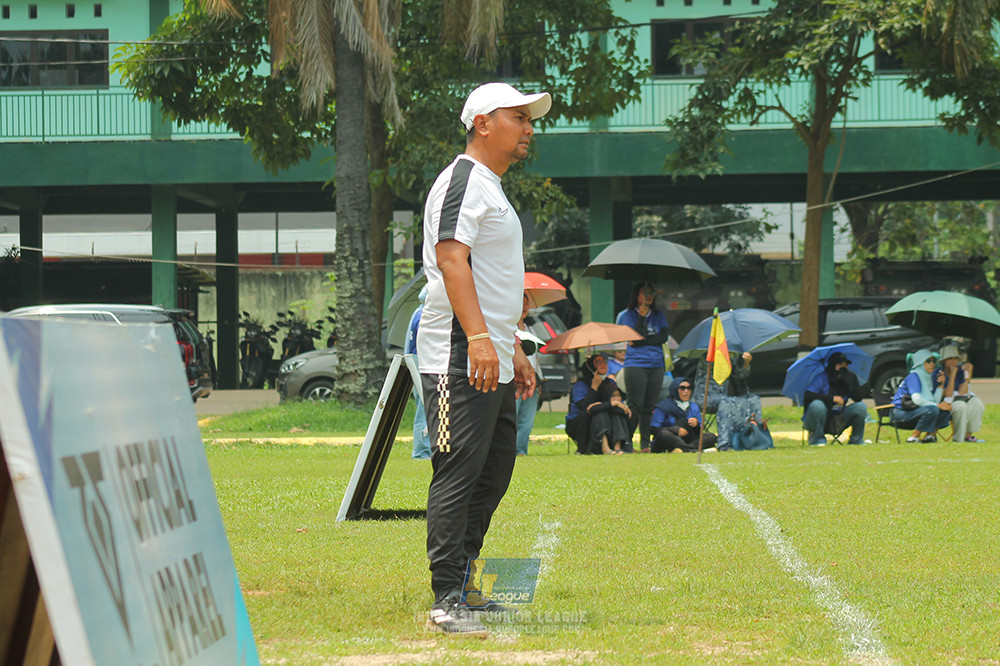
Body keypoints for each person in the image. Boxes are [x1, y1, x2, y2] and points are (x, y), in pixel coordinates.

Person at [416, 82, 550, 635]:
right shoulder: (463, 181)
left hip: (490, 352)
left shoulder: (492, 188)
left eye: (530, 119)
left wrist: (511, 345)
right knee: (458, 473)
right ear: (482, 123)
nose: (529, 128)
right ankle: (446, 598)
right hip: (455, 354)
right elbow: (452, 261)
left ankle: (466, 585)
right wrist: (476, 338)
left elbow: (494, 280)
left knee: (492, 473)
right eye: (518, 117)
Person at [615, 282, 670, 452]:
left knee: (649, 406)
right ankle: (627, 442)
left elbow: (663, 337)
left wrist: (642, 341)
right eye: (645, 292)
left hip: (656, 365)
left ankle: (645, 444)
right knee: (635, 405)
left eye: (651, 292)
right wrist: (641, 318)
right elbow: (633, 338)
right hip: (636, 364)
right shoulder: (627, 315)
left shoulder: (658, 315)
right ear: (636, 296)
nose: (649, 296)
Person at [565, 354, 636, 455]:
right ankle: (597, 447)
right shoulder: (581, 385)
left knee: (630, 413)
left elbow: (616, 403)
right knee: (599, 412)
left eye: (604, 362)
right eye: (598, 363)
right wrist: (594, 388)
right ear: (590, 367)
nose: (603, 365)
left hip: (607, 417)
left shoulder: (610, 382)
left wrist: (617, 404)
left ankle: (622, 445)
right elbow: (584, 406)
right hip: (580, 422)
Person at [803, 351, 870, 446]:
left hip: (839, 415)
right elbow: (808, 395)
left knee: (861, 407)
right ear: (832, 365)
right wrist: (832, 398)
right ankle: (817, 439)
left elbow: (858, 398)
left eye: (845, 365)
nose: (843, 368)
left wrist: (851, 383)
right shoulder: (821, 377)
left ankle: (856, 440)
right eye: (840, 365)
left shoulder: (849, 378)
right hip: (822, 415)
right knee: (817, 405)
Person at [892, 348, 951, 443]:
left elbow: (933, 401)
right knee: (933, 409)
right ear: (920, 362)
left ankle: (930, 436)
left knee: (944, 412)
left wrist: (940, 386)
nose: (932, 364)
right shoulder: (914, 376)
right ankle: (913, 438)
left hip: (916, 410)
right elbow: (917, 400)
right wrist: (937, 405)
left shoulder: (927, 377)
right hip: (900, 412)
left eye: (933, 361)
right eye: (928, 361)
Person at [650, 377, 718, 453]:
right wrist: (674, 430)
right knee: (663, 434)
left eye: (689, 388)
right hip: (670, 439)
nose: (686, 391)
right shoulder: (663, 406)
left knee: (711, 436)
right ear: (675, 389)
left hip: (688, 439)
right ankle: (695, 450)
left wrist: (696, 425)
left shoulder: (693, 406)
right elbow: (653, 429)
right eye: (682, 388)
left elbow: (699, 432)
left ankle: (684, 449)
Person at [515, 292, 543, 455]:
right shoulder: (509, 330)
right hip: (515, 379)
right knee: (513, 416)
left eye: (527, 304)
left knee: (527, 420)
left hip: (532, 380)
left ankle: (520, 450)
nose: (524, 307)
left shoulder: (531, 329)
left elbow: (536, 358)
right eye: (521, 303)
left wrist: (540, 380)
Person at [939, 345, 986, 443]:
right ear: (944, 361)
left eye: (955, 358)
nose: (953, 361)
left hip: (959, 398)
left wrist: (968, 376)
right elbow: (947, 394)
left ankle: (968, 435)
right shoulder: (939, 373)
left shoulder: (960, 372)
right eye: (950, 359)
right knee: (961, 406)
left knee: (977, 403)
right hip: (945, 402)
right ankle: (958, 439)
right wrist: (952, 375)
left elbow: (962, 393)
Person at [406, 287, 431, 460]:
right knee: (424, 407)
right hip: (422, 363)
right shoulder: (424, 315)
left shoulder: (417, 312)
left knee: (424, 406)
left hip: (416, 362)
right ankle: (421, 451)